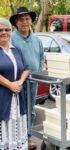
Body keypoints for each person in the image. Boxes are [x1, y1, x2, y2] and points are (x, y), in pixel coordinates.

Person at [10, 7, 45, 150]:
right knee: (16, 110)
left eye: (27, 19)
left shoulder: (37, 40)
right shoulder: (11, 38)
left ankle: (28, 138)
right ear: (16, 23)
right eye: (21, 19)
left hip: (33, 82)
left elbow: (42, 57)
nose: (24, 22)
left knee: (30, 110)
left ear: (31, 21)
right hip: (15, 83)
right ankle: (15, 138)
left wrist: (39, 70)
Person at [0, 18, 29, 150]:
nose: (4, 32)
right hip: (3, 96)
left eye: (7, 29)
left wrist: (20, 82)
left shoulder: (15, 49)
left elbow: (26, 68)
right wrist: (10, 85)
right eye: (0, 30)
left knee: (17, 123)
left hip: (17, 97)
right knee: (4, 125)